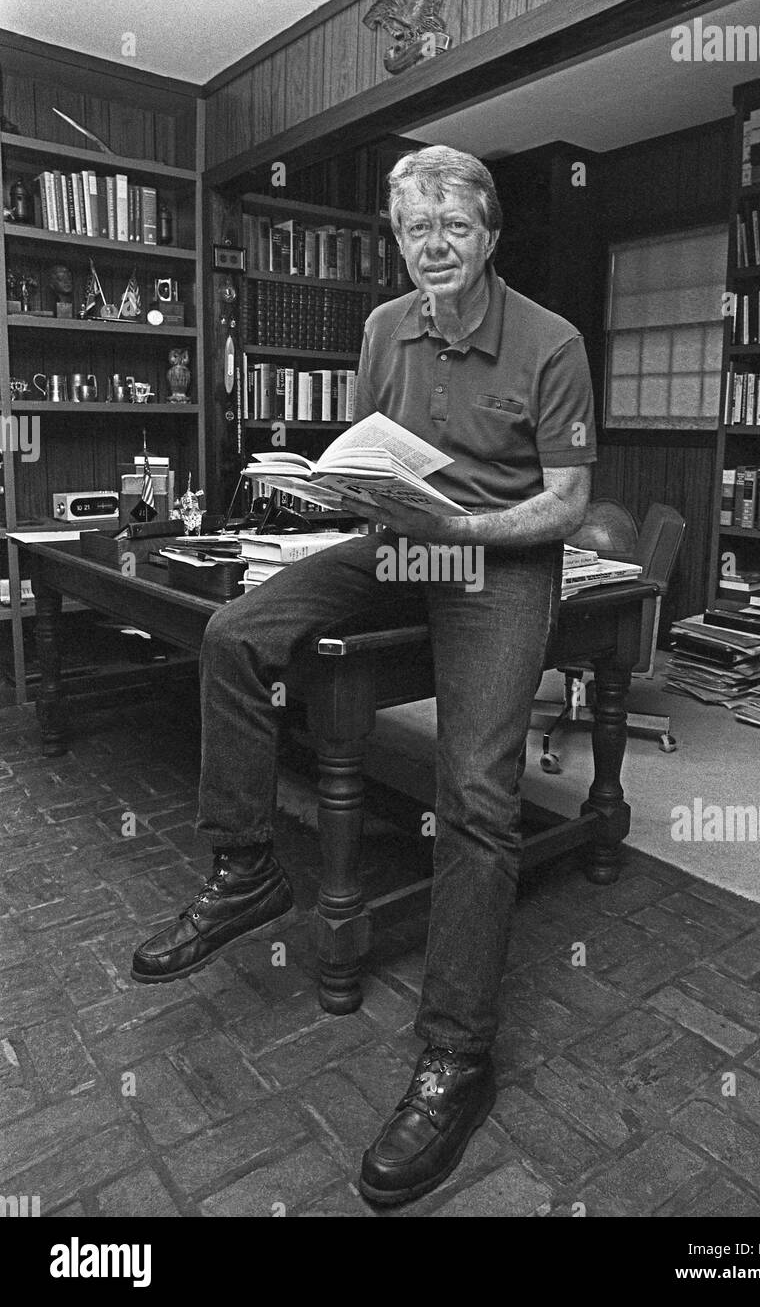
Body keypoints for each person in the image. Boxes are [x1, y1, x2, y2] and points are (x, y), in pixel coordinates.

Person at [131, 145, 597, 1206]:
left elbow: (564, 502)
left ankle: (454, 1057)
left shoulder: (551, 342)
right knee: (234, 633)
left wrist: (472, 526)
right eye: (412, 230)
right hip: (405, 547)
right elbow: (377, 456)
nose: (432, 247)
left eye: (452, 228)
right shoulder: (385, 327)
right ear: (397, 237)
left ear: (488, 233)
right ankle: (247, 864)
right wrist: (336, 493)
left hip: (499, 560)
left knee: (475, 794)